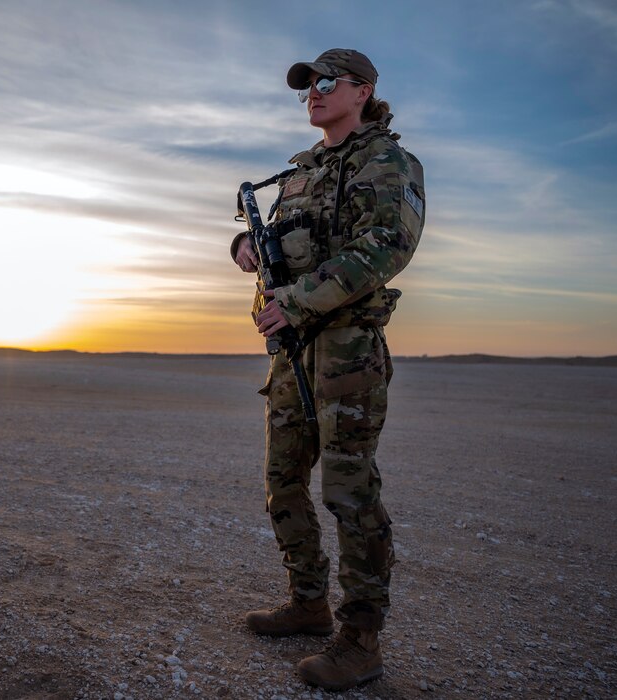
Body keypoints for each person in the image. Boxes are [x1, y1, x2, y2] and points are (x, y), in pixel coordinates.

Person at [230, 48, 424, 691]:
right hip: (290, 352)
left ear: (363, 90)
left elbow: (386, 247)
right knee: (282, 483)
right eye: (306, 85)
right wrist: (248, 250)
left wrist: (296, 300)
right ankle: (308, 604)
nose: (312, 92)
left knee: (348, 490)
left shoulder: (388, 161)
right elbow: (287, 243)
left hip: (345, 347)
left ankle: (360, 640)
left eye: (325, 82)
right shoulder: (301, 173)